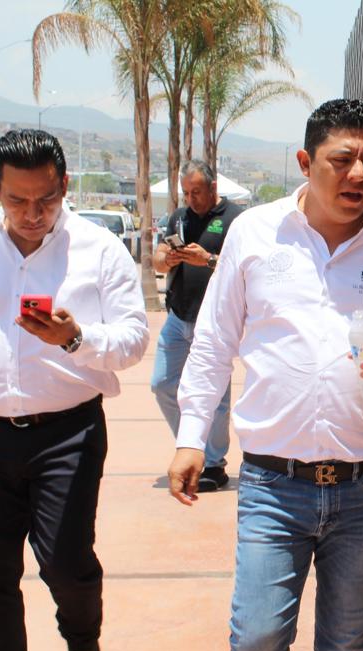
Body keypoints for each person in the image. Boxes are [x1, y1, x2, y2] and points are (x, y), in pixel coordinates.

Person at [166, 99, 363, 651]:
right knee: (256, 643)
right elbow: (214, 341)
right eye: (341, 160)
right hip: (273, 485)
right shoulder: (255, 234)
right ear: (305, 161)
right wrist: (192, 437)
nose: (358, 175)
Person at [0, 129, 149, 651]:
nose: (31, 214)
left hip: (68, 436)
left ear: (64, 185)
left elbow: (133, 340)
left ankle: (83, 643)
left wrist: (76, 338)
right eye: (17, 200)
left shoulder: (99, 249)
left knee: (67, 565)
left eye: (45, 199)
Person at [151, 160, 242, 491]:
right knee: (162, 384)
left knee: (216, 398)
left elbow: (240, 268)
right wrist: (167, 258)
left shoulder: (235, 220)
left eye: (197, 192)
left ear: (213, 187)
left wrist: (208, 260)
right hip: (178, 317)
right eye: (186, 193)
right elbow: (159, 258)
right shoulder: (179, 217)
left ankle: (214, 465)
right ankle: (193, 446)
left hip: (214, 321)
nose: (191, 199)